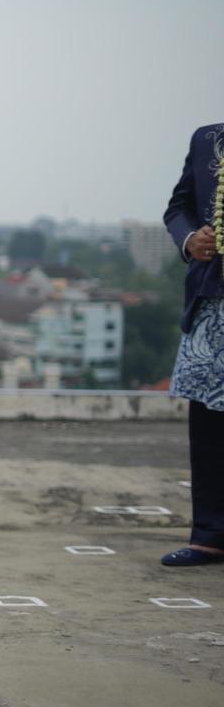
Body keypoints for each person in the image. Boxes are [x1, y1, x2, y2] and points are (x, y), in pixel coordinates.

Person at [162, 122, 224, 566]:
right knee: (207, 423)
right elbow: (178, 208)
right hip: (213, 299)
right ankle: (209, 534)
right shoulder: (208, 139)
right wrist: (191, 239)